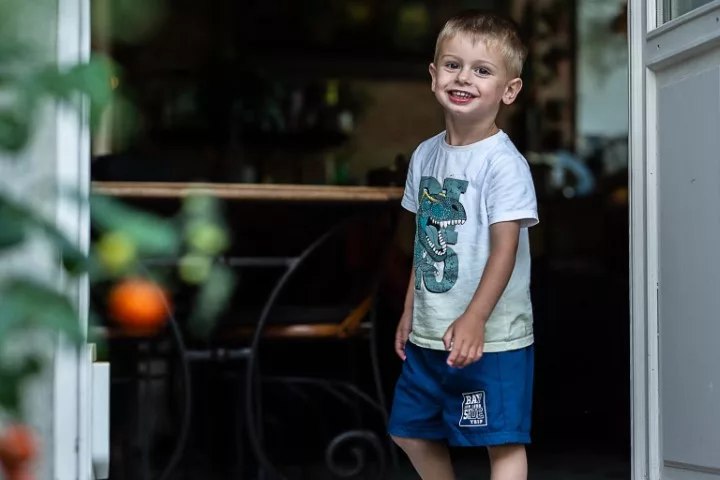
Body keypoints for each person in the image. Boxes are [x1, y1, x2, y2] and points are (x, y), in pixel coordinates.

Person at [388, 10, 538, 480]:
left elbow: (504, 250)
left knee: (502, 441)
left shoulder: (503, 165)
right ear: (434, 75)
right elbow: (425, 238)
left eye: (482, 70)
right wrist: (411, 307)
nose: (464, 78)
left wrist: (475, 318)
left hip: (492, 338)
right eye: (453, 65)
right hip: (432, 333)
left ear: (508, 90)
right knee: (410, 430)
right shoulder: (425, 154)